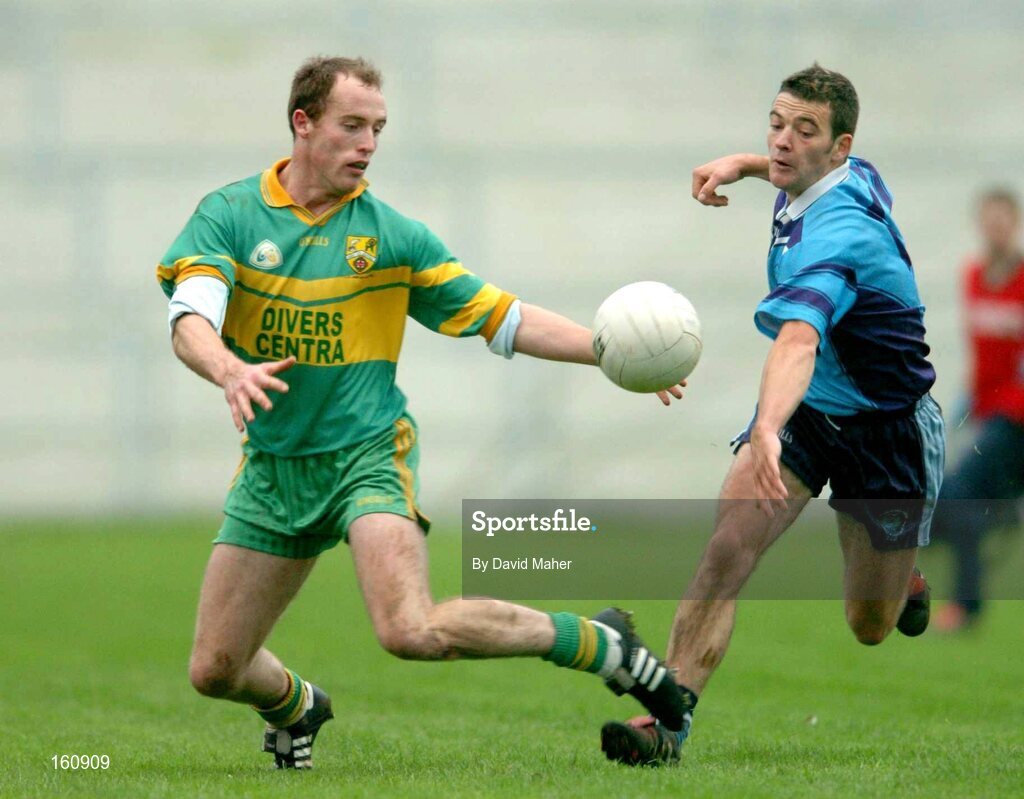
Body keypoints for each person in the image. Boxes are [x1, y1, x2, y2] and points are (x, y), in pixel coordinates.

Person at [156, 56, 689, 770]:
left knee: (408, 629)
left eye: (377, 128)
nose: (368, 143)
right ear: (302, 124)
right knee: (215, 670)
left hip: (367, 455)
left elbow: (505, 317)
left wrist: (610, 351)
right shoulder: (228, 215)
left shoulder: (393, 236)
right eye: (352, 125)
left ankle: (600, 643)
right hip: (273, 469)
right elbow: (192, 313)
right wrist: (227, 366)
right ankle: (296, 705)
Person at [599, 64, 945, 766]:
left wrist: (763, 424)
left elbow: (799, 340)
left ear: (839, 146)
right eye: (776, 124)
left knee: (870, 623)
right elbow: (785, 166)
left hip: (889, 433)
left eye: (804, 131)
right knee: (727, 547)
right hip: (812, 415)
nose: (782, 143)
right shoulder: (841, 172)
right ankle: (669, 721)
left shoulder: (838, 233)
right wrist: (741, 164)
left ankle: (902, 576)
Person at [930, 188, 1024, 632]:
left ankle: (966, 605)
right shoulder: (972, 275)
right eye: (989, 219)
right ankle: (1000, 513)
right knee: (943, 495)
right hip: (987, 411)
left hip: (1016, 417)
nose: (996, 227)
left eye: (1004, 219)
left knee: (961, 492)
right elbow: (984, 360)